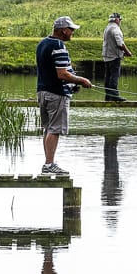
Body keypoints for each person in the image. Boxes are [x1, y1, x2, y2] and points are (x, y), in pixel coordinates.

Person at [36, 16, 93, 174]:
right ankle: (49, 165)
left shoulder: (42, 43)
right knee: (54, 129)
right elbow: (62, 74)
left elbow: (53, 71)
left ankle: (48, 163)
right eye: (71, 29)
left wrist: (72, 83)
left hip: (42, 92)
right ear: (63, 30)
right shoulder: (58, 45)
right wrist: (81, 80)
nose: (72, 32)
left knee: (48, 129)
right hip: (56, 94)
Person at [100, 12, 132, 102]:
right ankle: (114, 95)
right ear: (117, 20)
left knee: (108, 76)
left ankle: (108, 95)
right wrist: (127, 52)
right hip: (114, 57)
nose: (120, 21)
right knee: (114, 76)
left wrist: (123, 52)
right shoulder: (116, 29)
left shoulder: (107, 28)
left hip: (106, 56)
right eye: (120, 20)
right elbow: (120, 43)